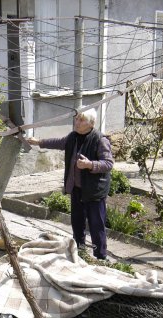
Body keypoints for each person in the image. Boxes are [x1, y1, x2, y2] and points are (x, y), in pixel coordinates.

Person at [26, 108, 114, 260]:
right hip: (77, 189)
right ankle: (78, 253)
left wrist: (89, 165)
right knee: (77, 223)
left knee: (96, 225)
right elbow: (58, 142)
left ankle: (101, 257)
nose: (77, 122)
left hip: (94, 191)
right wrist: (39, 142)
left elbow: (108, 163)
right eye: (77, 119)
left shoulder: (100, 140)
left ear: (91, 124)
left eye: (81, 120)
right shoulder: (73, 137)